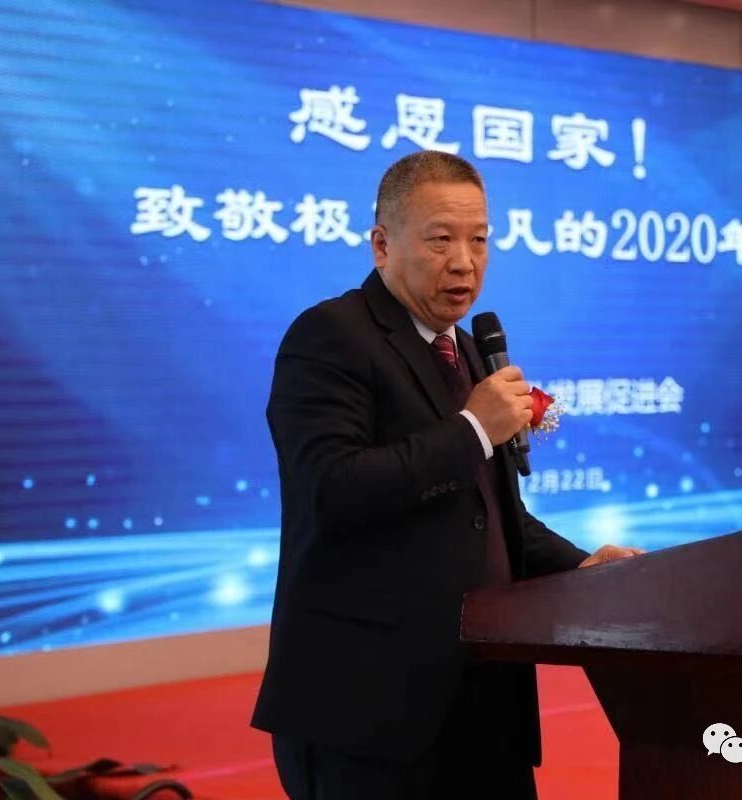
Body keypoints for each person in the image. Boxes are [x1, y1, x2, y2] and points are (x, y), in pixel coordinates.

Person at [252, 150, 642, 799]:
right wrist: (473, 429)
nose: (464, 262)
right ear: (382, 245)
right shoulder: (330, 335)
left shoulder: (466, 350)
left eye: (479, 240)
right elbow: (332, 489)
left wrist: (580, 568)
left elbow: (486, 512)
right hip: (368, 711)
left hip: (484, 700)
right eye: (441, 239)